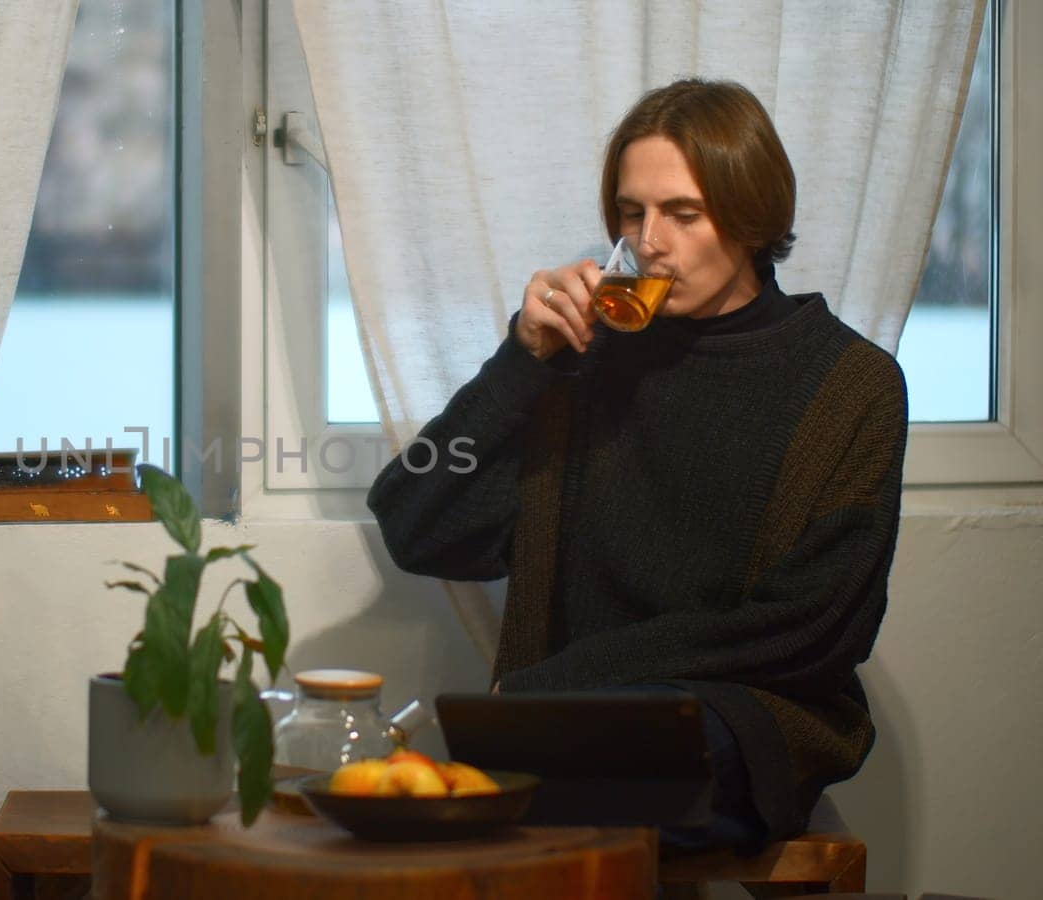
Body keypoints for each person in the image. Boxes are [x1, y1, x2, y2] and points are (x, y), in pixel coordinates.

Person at [366, 78, 908, 852]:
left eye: (682, 213)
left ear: (751, 217)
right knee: (532, 784)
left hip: (748, 712)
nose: (649, 240)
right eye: (631, 212)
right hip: (574, 721)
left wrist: (561, 681)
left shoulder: (848, 383)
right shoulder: (582, 357)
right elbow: (414, 525)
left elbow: (816, 627)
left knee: (592, 778)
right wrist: (521, 361)